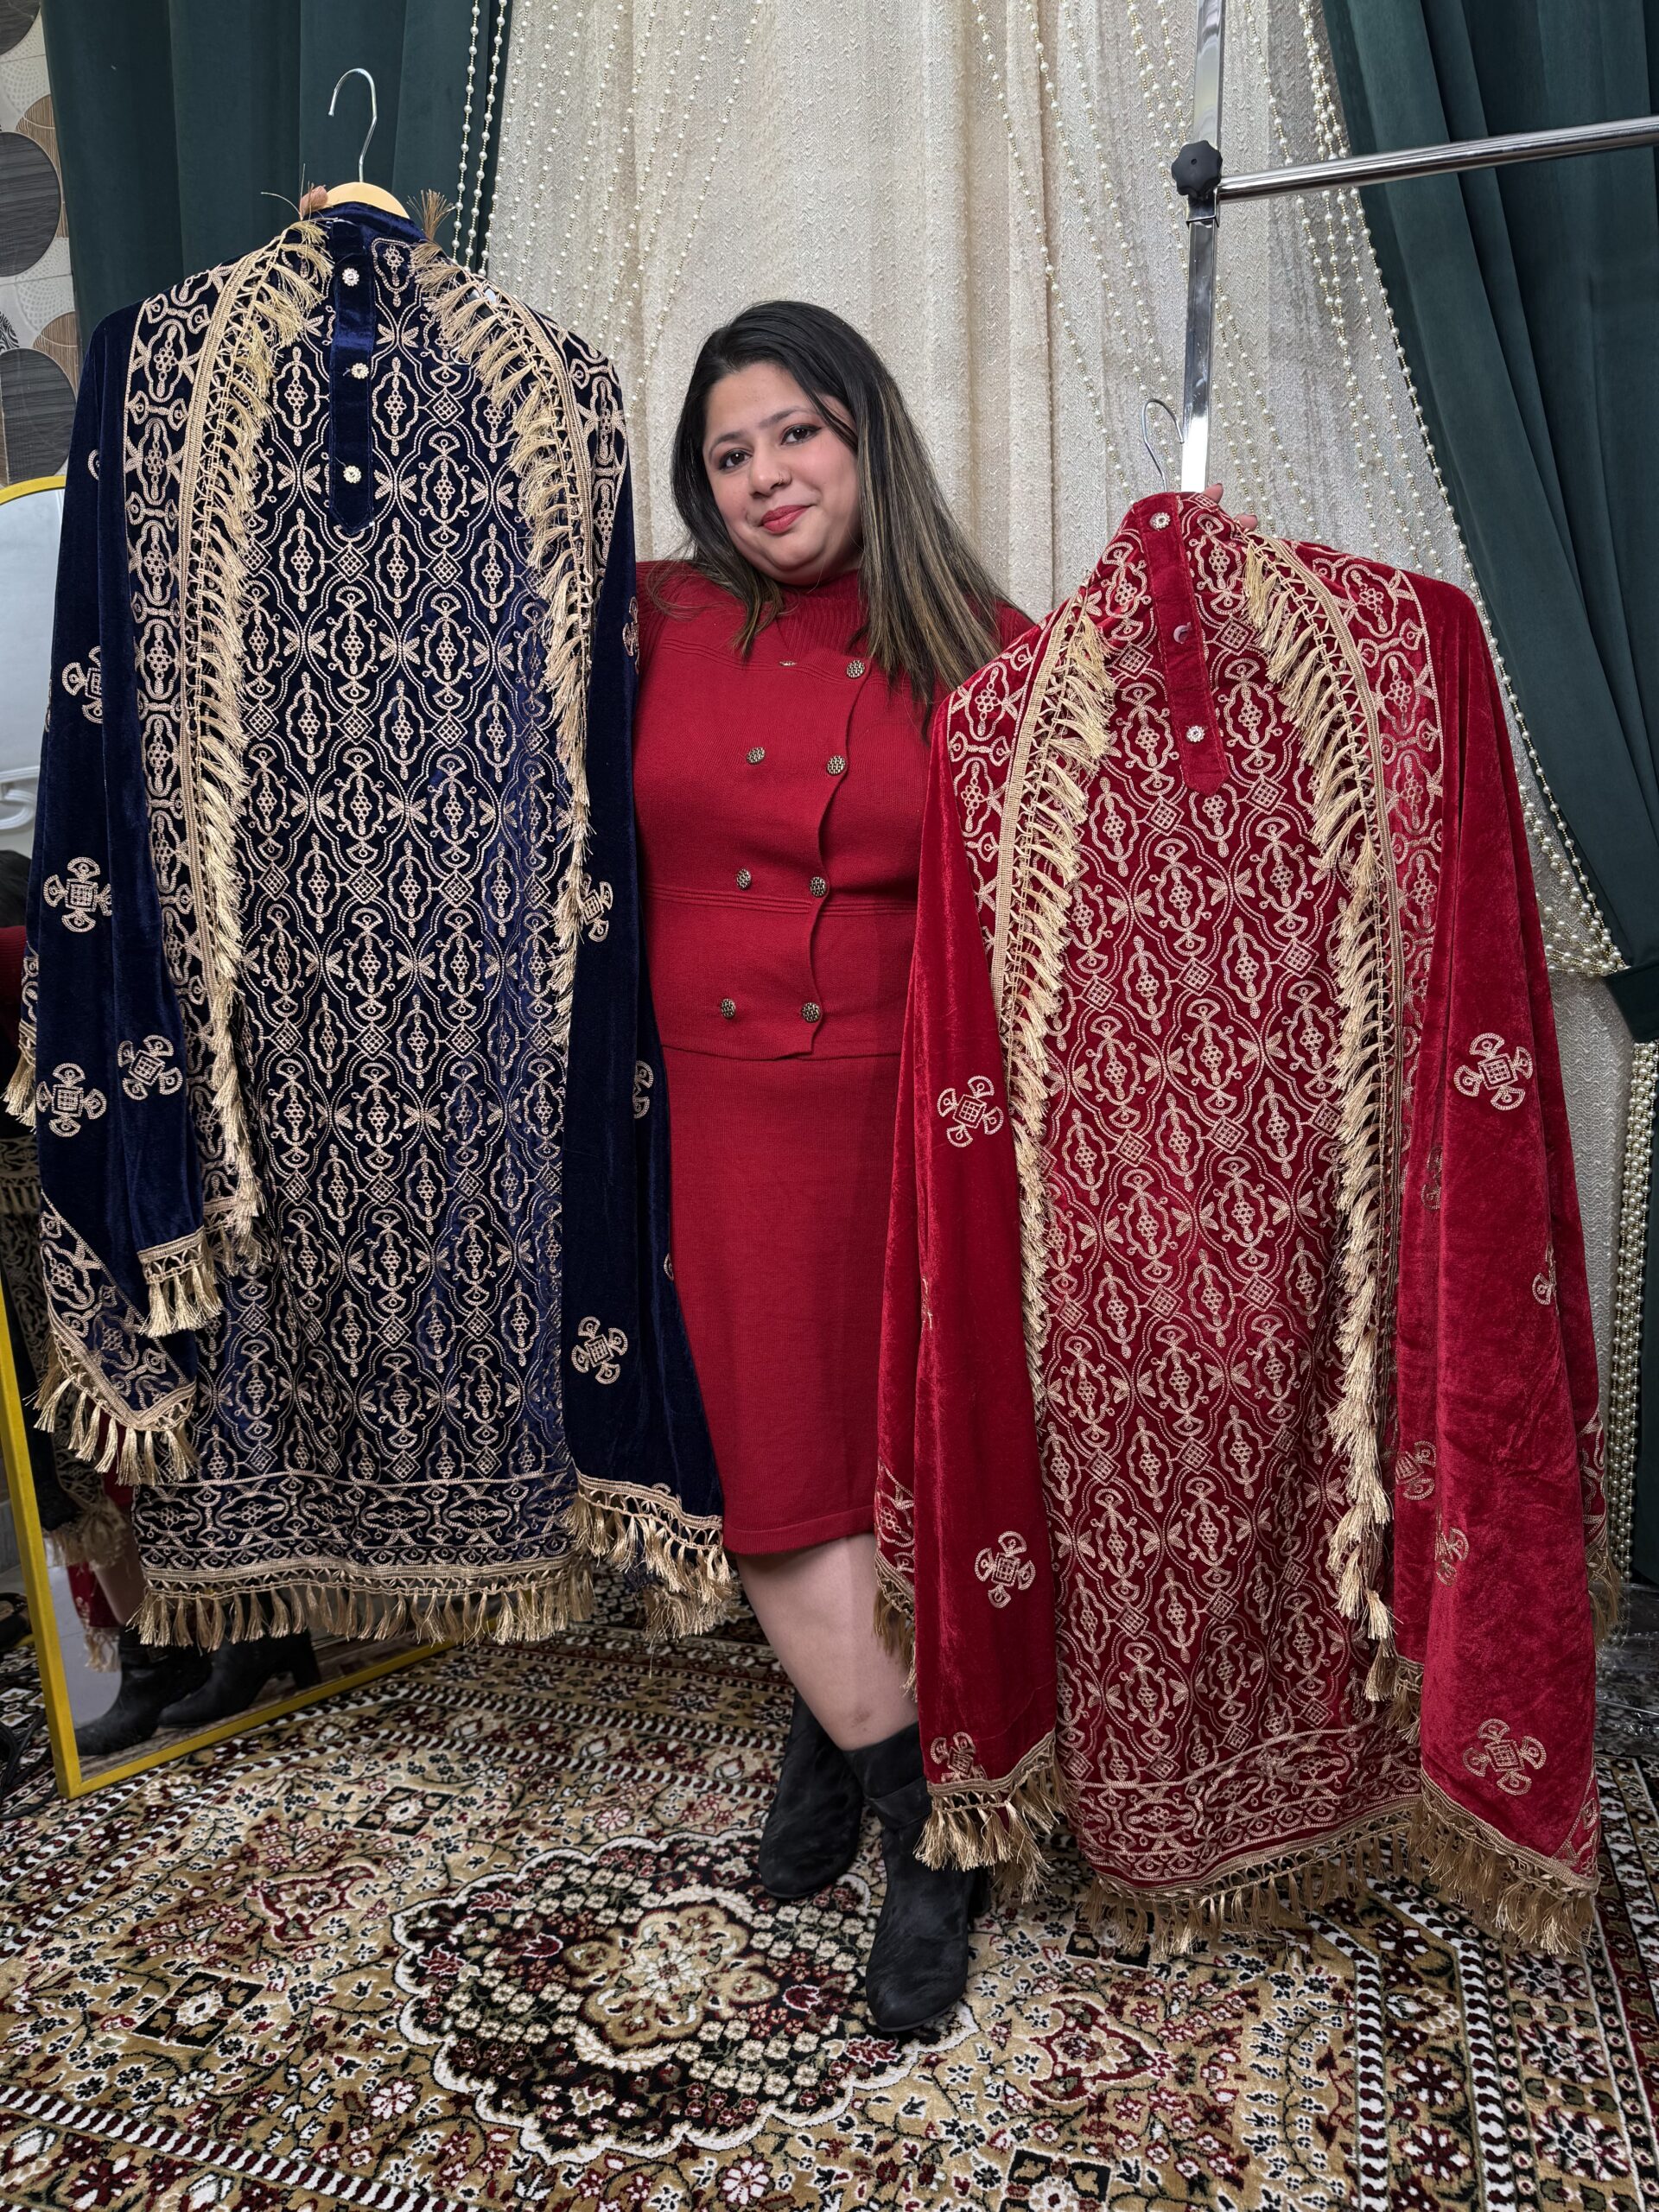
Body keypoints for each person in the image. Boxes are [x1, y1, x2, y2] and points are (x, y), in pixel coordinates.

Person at [633, 302, 1029, 2033]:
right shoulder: (649, 618)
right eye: (729, 453)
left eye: (795, 432)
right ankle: (916, 1810)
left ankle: (853, 1755)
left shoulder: (986, 648)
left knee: (887, 1460)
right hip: (719, 1118)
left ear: (865, 433)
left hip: (912, 1121)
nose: (765, 475)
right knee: (781, 1470)